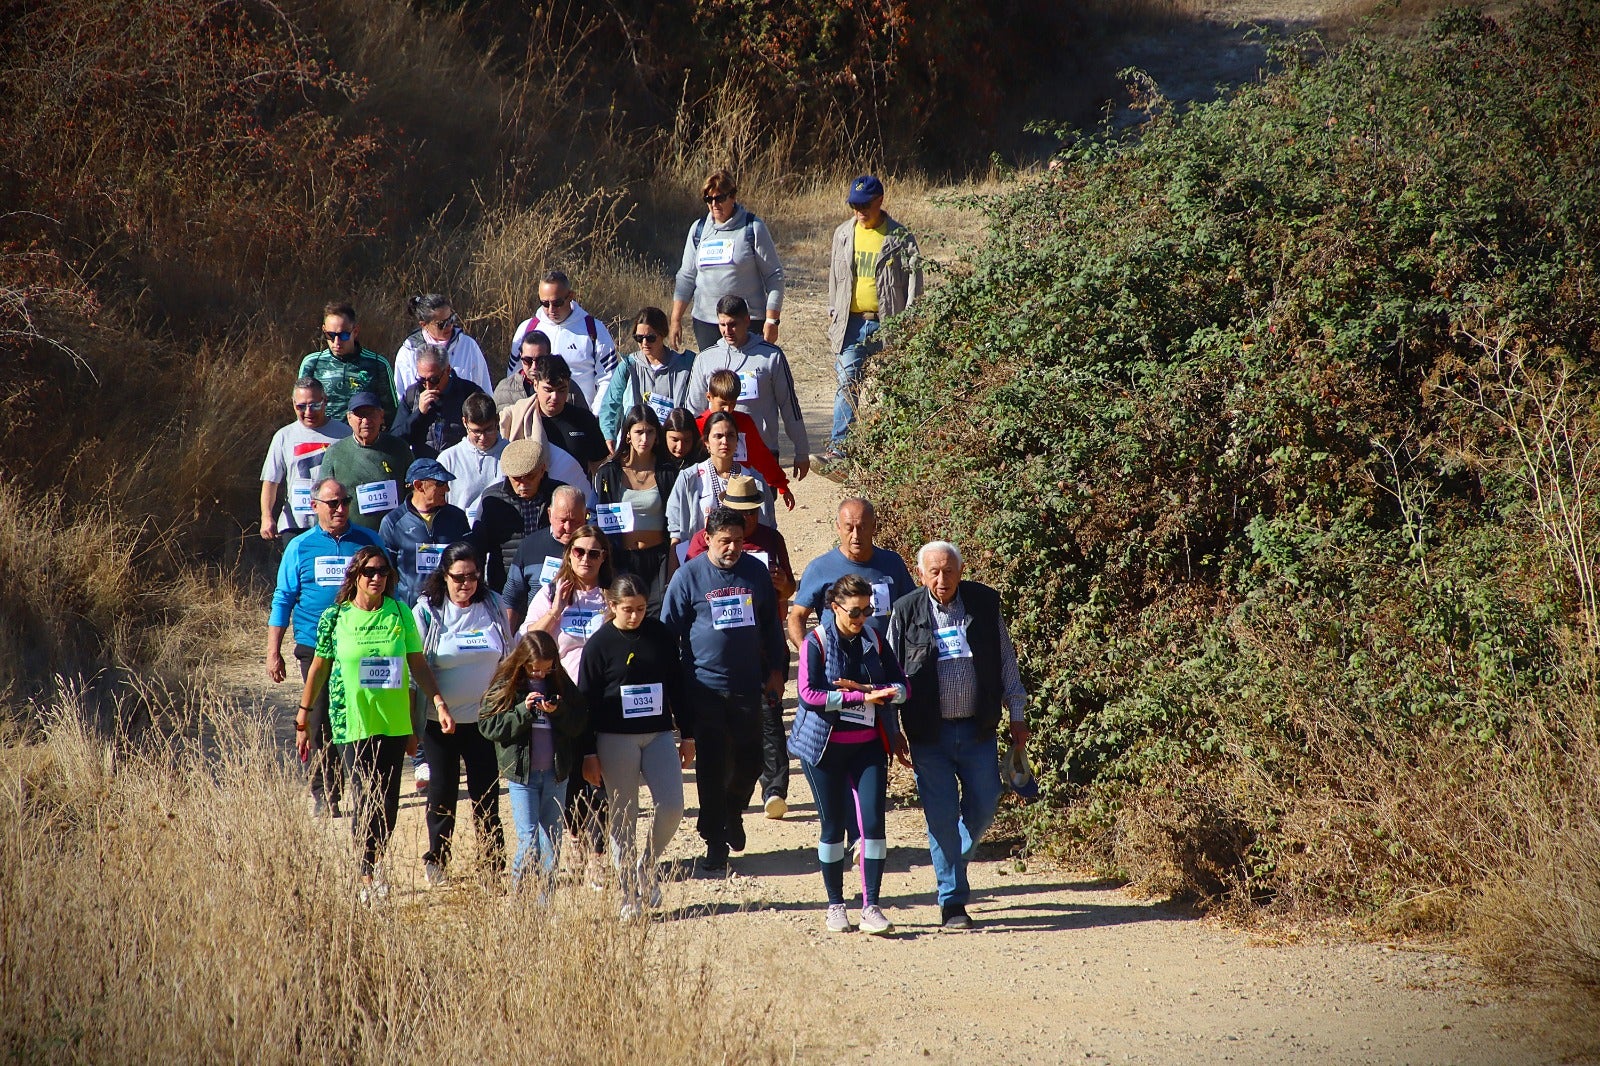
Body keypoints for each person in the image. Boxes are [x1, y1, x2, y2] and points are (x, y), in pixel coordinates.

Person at [886, 541, 1030, 931]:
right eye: (933, 571)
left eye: (948, 570)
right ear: (921, 574)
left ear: (961, 572)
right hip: (927, 735)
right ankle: (952, 902)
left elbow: (1006, 663)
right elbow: (889, 674)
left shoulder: (983, 605)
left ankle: (954, 858)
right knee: (941, 817)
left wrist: (1017, 716)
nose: (941, 578)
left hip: (977, 729)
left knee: (985, 803)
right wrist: (891, 728)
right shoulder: (905, 611)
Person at [295, 545, 449, 900]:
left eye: (383, 572)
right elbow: (319, 668)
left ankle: (375, 864)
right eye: (370, 572)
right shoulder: (334, 618)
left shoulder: (399, 613)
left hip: (393, 722)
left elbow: (417, 664)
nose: (377, 578)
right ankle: (366, 874)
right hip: (351, 720)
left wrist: (435, 703)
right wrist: (304, 715)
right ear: (355, 577)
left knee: (388, 801)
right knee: (366, 796)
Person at [660, 506, 786, 875]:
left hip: (749, 684)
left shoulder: (756, 573)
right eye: (724, 541)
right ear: (709, 539)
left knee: (751, 760)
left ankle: (733, 808)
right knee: (712, 766)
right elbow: (669, 633)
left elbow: (771, 627)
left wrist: (777, 670)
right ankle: (715, 839)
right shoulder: (688, 577)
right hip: (703, 687)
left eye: (737, 541)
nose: (732, 548)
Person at [791, 574, 909, 934]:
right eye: (855, 612)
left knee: (873, 824)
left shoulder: (874, 637)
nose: (861, 619)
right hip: (822, 748)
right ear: (835, 607)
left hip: (868, 746)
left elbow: (902, 684)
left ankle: (871, 906)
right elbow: (809, 694)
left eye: (867, 610)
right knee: (832, 827)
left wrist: (878, 691)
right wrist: (859, 698)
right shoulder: (816, 642)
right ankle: (835, 904)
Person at [266, 477, 383, 816]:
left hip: (362, 645)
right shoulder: (299, 547)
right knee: (320, 721)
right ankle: (325, 793)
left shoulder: (368, 541)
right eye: (332, 503)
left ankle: (367, 789)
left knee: (363, 716)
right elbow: (283, 598)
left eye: (344, 501)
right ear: (313, 506)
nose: (340, 509)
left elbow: (389, 586)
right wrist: (273, 651)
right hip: (314, 646)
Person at [577, 574, 691, 919]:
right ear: (612, 606)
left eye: (641, 609)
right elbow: (586, 703)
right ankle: (628, 892)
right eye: (627, 609)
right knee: (623, 817)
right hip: (614, 738)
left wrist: (688, 735)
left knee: (672, 806)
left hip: (657, 734)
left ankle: (648, 864)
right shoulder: (599, 645)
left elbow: (678, 685)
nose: (635, 616)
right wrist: (588, 753)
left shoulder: (660, 636)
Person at [684, 475, 796, 819]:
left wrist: (782, 585)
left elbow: (789, 588)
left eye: (753, 512)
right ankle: (724, 812)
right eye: (741, 512)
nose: (748, 520)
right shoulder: (702, 546)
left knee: (769, 720)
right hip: (713, 668)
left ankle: (774, 789)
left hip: (762, 647)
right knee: (724, 743)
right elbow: (689, 586)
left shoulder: (771, 539)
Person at [411, 542, 510, 885]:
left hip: (484, 721)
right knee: (443, 792)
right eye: (458, 577)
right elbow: (415, 667)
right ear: (444, 576)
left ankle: (493, 863)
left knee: (487, 795)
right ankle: (437, 859)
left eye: (472, 576)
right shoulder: (427, 611)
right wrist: (433, 708)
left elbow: (508, 656)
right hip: (441, 722)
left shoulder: (494, 605)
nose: (465, 583)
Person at [521, 523, 615, 886]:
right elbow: (527, 642)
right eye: (579, 552)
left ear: (604, 557)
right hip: (561, 700)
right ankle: (574, 838)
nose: (586, 559)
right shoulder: (549, 593)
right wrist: (558, 608)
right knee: (571, 776)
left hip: (604, 699)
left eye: (594, 553)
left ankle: (597, 855)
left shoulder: (611, 594)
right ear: (568, 554)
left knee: (602, 779)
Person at [818, 175, 923, 468]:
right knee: (847, 385)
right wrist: (833, 311)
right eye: (854, 204)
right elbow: (834, 277)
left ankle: (895, 451)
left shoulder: (900, 237)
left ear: (880, 201)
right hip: (851, 325)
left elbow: (916, 283)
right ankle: (839, 452)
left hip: (889, 326)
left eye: (865, 205)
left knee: (894, 388)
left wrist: (910, 322)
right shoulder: (842, 233)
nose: (859, 211)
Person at [479, 629, 594, 894]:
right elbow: (489, 725)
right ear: (522, 662)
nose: (540, 675)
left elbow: (579, 722)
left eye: (546, 669)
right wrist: (524, 711)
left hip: (556, 775)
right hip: (522, 777)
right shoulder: (507, 683)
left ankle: (544, 907)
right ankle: (519, 905)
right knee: (528, 841)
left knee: (551, 843)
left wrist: (559, 711)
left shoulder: (561, 684)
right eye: (534, 670)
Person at [687, 295, 809, 481]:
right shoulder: (705, 359)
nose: (727, 331)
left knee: (760, 509)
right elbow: (693, 411)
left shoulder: (770, 356)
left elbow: (789, 406)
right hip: (717, 457)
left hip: (761, 453)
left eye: (733, 324)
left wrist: (801, 451)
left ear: (747, 320)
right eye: (722, 325)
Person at [670, 169, 784, 352]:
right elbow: (686, 277)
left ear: (733, 197)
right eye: (709, 200)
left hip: (747, 322)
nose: (714, 205)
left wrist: (772, 320)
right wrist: (675, 319)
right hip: (706, 323)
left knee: (746, 378)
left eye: (720, 198)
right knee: (715, 378)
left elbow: (774, 276)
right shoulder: (698, 230)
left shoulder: (752, 228)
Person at [788, 496, 914, 649]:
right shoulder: (819, 568)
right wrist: (806, 652)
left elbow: (912, 610)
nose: (855, 535)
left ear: (874, 526)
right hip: (837, 662)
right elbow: (797, 616)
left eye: (862, 527)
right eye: (849, 528)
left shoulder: (892, 563)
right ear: (838, 527)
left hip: (885, 662)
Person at [592, 405, 679, 613]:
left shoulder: (668, 473)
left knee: (658, 615)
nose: (644, 438)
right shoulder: (609, 473)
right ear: (628, 435)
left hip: (658, 558)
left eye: (650, 432)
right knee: (625, 614)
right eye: (639, 432)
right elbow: (599, 523)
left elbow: (676, 523)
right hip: (621, 558)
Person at [507, 270, 617, 410]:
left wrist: (595, 416)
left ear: (570, 296)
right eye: (545, 303)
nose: (551, 309)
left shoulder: (594, 329)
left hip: (580, 419)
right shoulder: (527, 329)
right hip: (535, 418)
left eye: (557, 302)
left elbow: (608, 377)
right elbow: (513, 376)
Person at [666, 410, 774, 552]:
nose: (725, 441)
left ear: (737, 441)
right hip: (701, 560)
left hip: (747, 560)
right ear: (706, 442)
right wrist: (675, 573)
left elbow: (768, 530)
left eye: (730, 436)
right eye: (718, 436)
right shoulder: (689, 478)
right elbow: (677, 534)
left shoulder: (754, 480)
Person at [259, 377, 350, 542]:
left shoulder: (344, 434)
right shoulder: (284, 436)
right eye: (301, 406)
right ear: (293, 403)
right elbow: (271, 481)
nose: (308, 412)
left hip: (333, 523)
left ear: (325, 401)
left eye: (315, 405)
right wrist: (266, 516)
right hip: (295, 524)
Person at [474, 437, 570, 591]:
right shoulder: (492, 499)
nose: (523, 485)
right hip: (504, 582)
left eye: (530, 477)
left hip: (552, 580)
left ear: (542, 469)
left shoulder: (560, 494)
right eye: (517, 479)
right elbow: (478, 547)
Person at [695, 368, 794, 511]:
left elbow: (760, 455)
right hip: (708, 491)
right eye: (722, 404)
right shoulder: (698, 425)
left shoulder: (744, 422)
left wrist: (781, 484)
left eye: (732, 404)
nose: (728, 410)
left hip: (740, 491)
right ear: (709, 397)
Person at [379, 458, 471, 608]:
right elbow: (386, 570)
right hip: (410, 610)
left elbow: (470, 562)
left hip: (452, 607)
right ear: (419, 485)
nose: (447, 489)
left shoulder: (457, 518)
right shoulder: (393, 522)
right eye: (440, 484)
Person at [317, 391, 414, 532]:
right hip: (352, 536)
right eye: (360, 415)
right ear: (349, 418)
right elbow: (323, 498)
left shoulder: (399, 448)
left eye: (371, 414)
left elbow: (413, 491)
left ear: (381, 416)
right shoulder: (335, 453)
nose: (366, 421)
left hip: (394, 535)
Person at [598, 308, 695, 446]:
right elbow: (611, 404)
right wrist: (609, 435)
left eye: (650, 338)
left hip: (672, 446)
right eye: (639, 338)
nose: (644, 343)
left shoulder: (685, 365)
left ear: (663, 334)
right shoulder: (628, 366)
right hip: (638, 447)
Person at [502, 484, 588, 631]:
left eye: (575, 521)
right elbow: (511, 598)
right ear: (549, 514)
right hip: (540, 631)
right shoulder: (530, 546)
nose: (568, 528)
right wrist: (507, 643)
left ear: (585, 515)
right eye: (562, 520)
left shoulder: (595, 548)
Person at [296, 301, 397, 421]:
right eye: (330, 335)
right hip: (325, 437)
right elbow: (301, 406)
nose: (337, 342)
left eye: (343, 335)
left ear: (355, 332)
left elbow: (391, 412)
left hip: (362, 436)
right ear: (324, 330)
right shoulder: (312, 363)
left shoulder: (377, 364)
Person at [392, 346, 486, 460]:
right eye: (422, 380)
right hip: (424, 469)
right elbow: (395, 440)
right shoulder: (412, 395)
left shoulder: (469, 393)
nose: (428, 386)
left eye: (433, 379)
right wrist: (418, 414)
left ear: (447, 370)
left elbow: (486, 433)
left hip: (460, 466)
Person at [394, 293, 492, 396]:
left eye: (451, 319)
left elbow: (485, 391)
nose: (449, 326)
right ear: (424, 324)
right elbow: (402, 399)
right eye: (442, 324)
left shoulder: (468, 346)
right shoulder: (408, 352)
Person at [528, 354, 608, 475]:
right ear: (535, 385)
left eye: (561, 390)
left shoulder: (584, 420)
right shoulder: (523, 419)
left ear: (569, 385)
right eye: (548, 390)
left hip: (579, 491)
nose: (555, 397)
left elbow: (600, 467)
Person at [436, 393, 505, 523]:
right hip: (462, 535)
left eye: (489, 430)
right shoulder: (448, 459)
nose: (483, 438)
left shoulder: (511, 453)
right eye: (476, 431)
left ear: (497, 420)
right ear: (464, 422)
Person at [493, 329, 553, 411]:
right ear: (520, 356)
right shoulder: (504, 389)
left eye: (540, 360)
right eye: (527, 360)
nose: (534, 366)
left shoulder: (566, 388)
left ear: (549, 356)